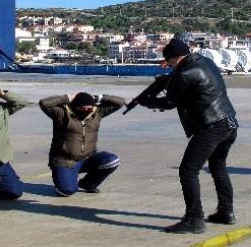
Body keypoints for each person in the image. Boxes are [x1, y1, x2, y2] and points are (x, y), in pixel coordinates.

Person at [138, 38, 239, 234]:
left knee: (188, 170)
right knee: (218, 167)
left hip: (212, 126)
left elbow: (169, 102)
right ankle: (226, 212)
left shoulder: (184, 74)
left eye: (169, 61)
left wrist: (147, 101)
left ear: (176, 57)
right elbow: (195, 89)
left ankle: (194, 219)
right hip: (229, 122)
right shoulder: (205, 61)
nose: (169, 65)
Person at [39, 92, 126, 196]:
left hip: (88, 158)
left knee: (112, 161)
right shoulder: (61, 114)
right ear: (75, 106)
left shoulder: (97, 113)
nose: (86, 110)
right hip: (65, 161)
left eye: (88, 107)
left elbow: (121, 102)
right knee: (67, 191)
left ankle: (88, 184)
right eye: (82, 108)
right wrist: (66, 98)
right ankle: (66, 178)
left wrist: (99, 97)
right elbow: (44, 103)